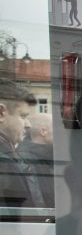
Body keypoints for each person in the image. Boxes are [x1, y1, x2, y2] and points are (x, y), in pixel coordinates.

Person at [0, 78, 43, 208]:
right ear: (1, 113)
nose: (28, 125)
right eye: (23, 116)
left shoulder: (10, 155)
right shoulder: (4, 162)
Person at [15, 111, 55, 207]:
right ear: (43, 131)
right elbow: (40, 200)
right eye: (56, 129)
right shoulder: (27, 160)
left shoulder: (45, 157)